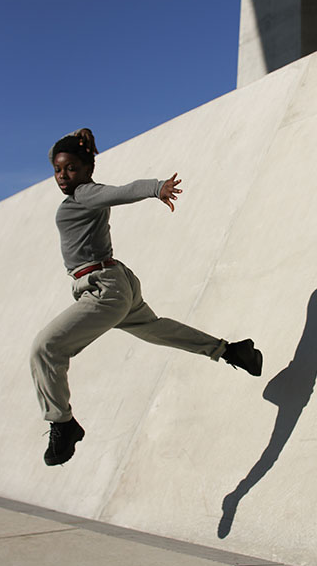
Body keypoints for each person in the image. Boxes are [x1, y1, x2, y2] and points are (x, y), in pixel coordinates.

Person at [31, 128, 262, 467]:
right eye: (58, 170)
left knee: (45, 348)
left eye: (71, 168)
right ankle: (231, 351)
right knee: (157, 330)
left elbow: (121, 191)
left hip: (103, 288)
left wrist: (156, 188)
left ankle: (63, 425)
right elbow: (59, 151)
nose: (63, 176)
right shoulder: (77, 193)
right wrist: (81, 138)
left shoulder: (85, 194)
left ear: (87, 170)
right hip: (115, 283)